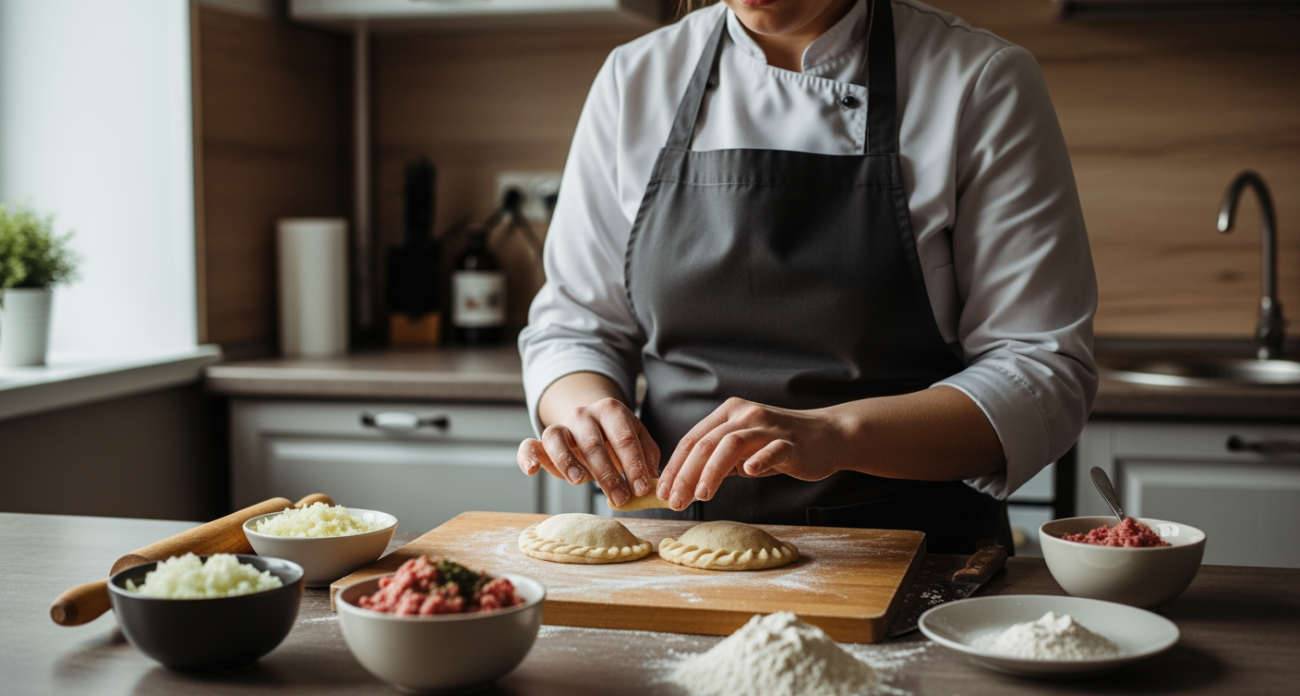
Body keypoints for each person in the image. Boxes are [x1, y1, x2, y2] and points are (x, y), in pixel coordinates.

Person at [515, 0, 1097, 553]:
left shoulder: (979, 81)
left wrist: (836, 434)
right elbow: (575, 326)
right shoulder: (635, 77)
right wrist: (587, 409)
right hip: (666, 548)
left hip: (912, 553)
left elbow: (1038, 369)